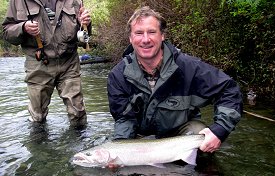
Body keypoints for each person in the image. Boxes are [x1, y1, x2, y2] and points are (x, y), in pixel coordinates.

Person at [107, 6, 243, 153]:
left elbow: (229, 90)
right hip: (140, 140)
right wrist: (118, 151)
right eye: (139, 33)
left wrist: (219, 130)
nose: (145, 39)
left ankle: (202, 172)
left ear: (162, 35)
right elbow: (124, 119)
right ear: (131, 38)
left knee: (199, 132)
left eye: (152, 32)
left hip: (181, 136)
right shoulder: (117, 76)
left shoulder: (188, 68)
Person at [2, 0, 92, 127]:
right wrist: (23, 27)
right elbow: (6, 32)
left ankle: (84, 145)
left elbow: (84, 38)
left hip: (69, 62)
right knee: (37, 117)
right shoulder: (18, 1)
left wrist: (85, 24)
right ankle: (39, 145)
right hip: (38, 63)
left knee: (78, 113)